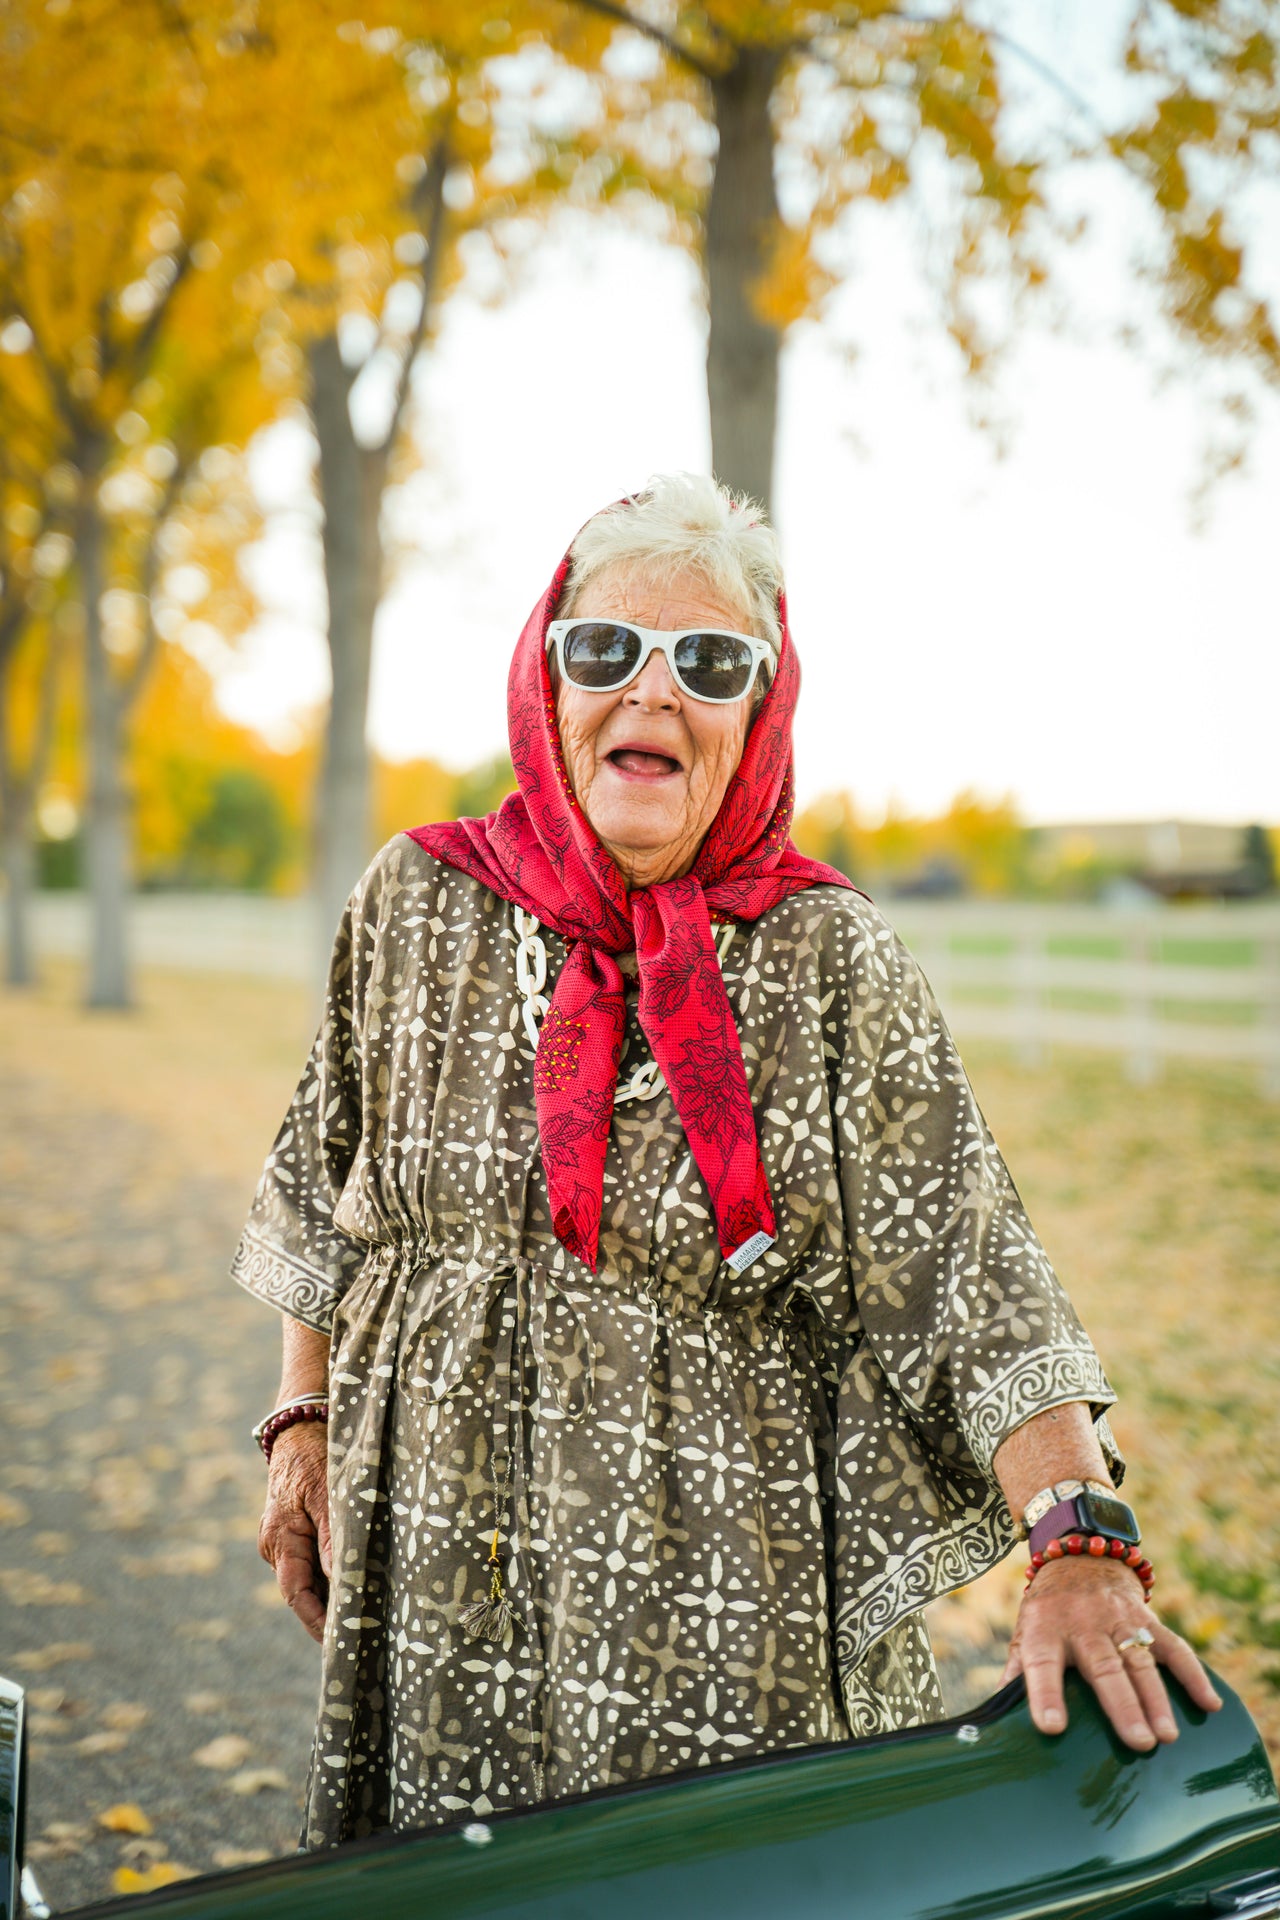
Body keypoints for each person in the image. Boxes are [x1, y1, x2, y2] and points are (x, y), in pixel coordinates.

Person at [235, 473, 1219, 1848]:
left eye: (708, 662)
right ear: (546, 680)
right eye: (605, 651)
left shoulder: (828, 958)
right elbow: (320, 1182)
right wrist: (302, 1419)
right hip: (442, 1579)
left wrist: (1080, 1537)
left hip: (717, 1618)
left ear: (758, 711)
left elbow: (968, 1266)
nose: (651, 694)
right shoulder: (414, 898)